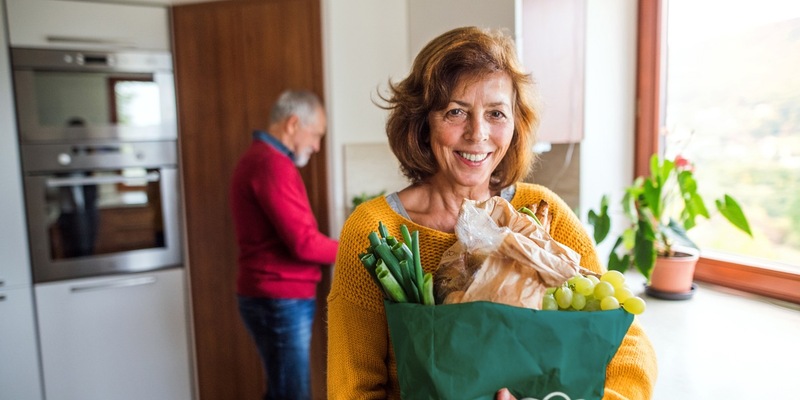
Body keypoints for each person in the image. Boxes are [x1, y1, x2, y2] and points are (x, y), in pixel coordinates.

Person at [326, 27, 658, 400]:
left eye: (496, 113)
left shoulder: (541, 211)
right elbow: (352, 389)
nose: (478, 134)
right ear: (422, 122)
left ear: (516, 125)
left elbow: (627, 346)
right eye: (456, 112)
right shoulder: (376, 230)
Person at [230, 89, 338, 400]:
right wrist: (357, 249)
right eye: (315, 135)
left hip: (274, 296)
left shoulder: (263, 159)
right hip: (279, 298)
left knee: (281, 392)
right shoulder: (271, 165)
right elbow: (304, 244)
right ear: (293, 124)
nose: (316, 146)